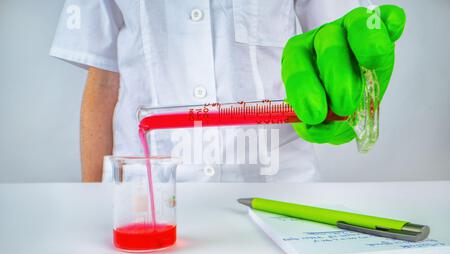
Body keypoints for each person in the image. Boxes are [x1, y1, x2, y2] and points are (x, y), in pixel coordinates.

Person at [50, 0, 405, 182]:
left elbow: (339, 41)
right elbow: (103, 79)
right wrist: (92, 205)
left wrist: (352, 93)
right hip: (146, 197)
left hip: (276, 187)